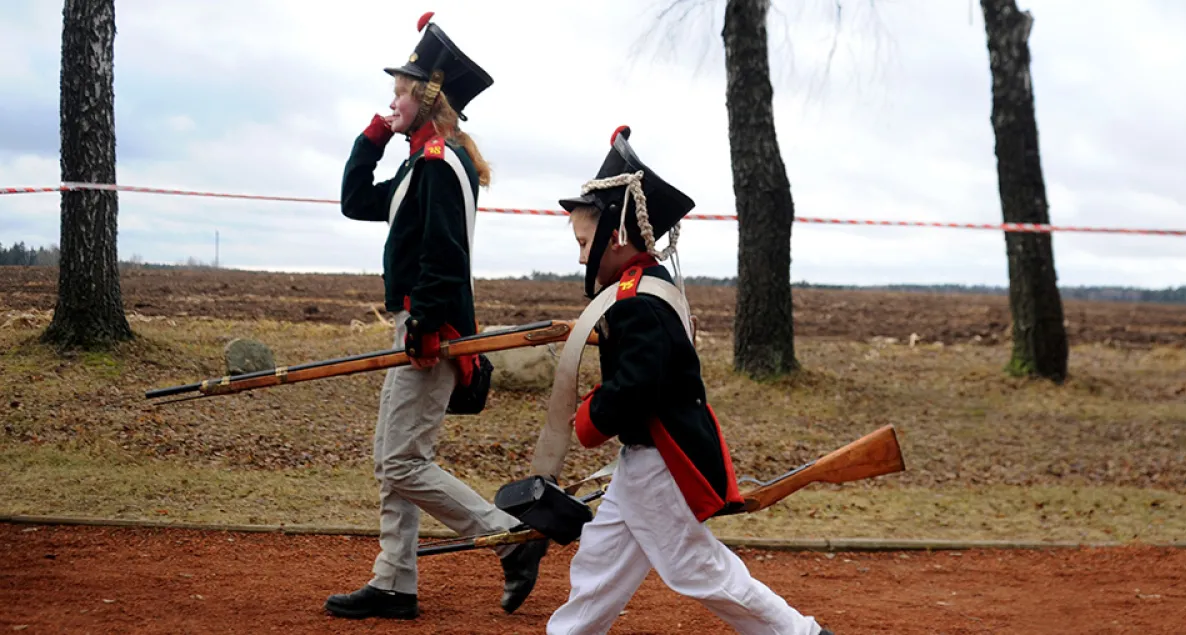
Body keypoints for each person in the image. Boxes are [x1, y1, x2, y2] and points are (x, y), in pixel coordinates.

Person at [546, 126, 835, 635]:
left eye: (584, 242)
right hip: (647, 457)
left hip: (662, 458)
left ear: (616, 237)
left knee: (697, 571)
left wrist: (591, 418)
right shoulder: (643, 287)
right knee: (599, 561)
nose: (579, 255)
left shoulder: (638, 299)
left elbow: (638, 385)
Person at [325, 11, 546, 620]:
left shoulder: (439, 164)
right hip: (420, 325)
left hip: (433, 331)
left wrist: (423, 326)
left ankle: (509, 534)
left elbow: (445, 259)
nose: (391, 98)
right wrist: (374, 133)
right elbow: (353, 202)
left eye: (399, 90)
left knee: (400, 462)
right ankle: (395, 583)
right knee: (392, 460)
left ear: (427, 98)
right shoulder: (415, 163)